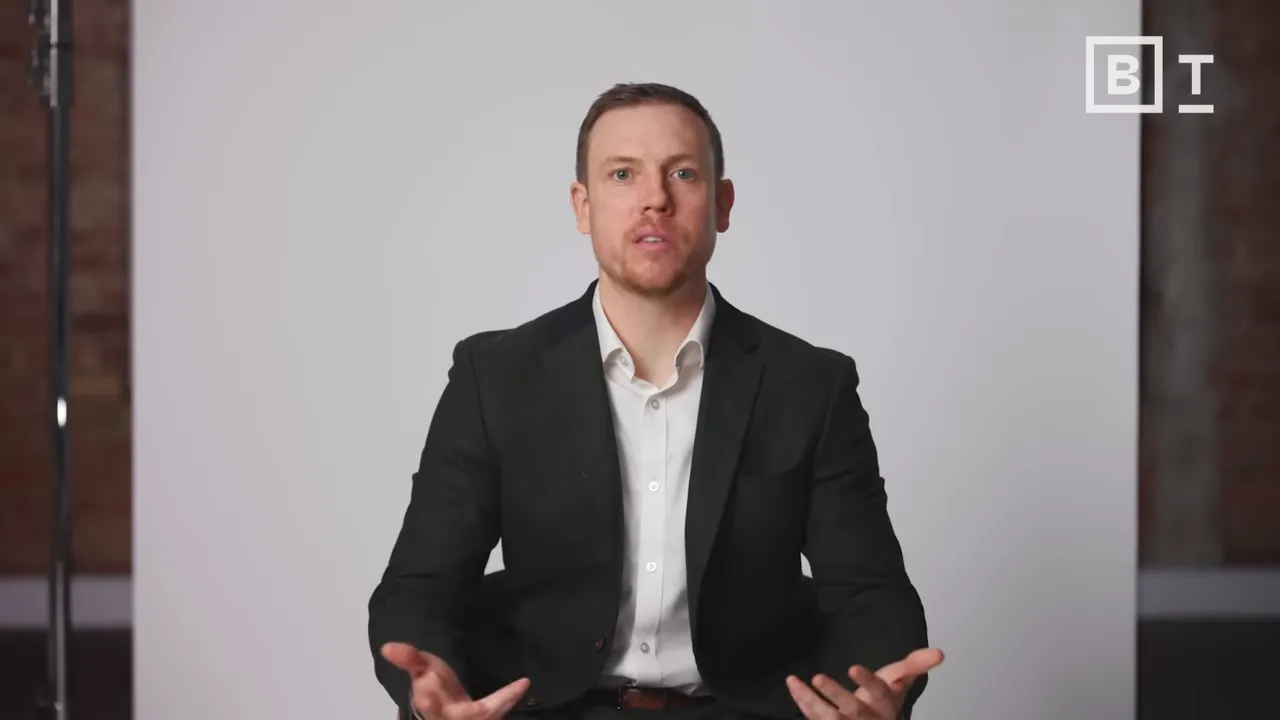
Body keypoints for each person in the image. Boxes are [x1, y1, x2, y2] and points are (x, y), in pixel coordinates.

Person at [368, 82, 942, 720]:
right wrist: (432, 695)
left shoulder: (810, 384)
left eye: (683, 174)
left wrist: (872, 695)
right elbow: (420, 588)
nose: (655, 200)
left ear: (722, 204)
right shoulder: (494, 376)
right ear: (583, 206)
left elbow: (870, 597)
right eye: (623, 174)